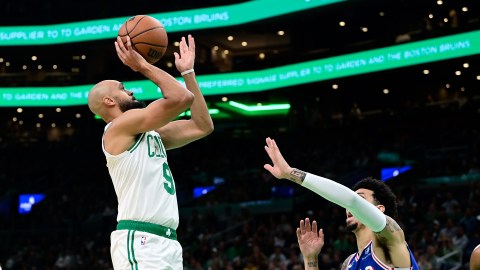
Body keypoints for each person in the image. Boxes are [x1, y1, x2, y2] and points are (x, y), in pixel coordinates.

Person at [87, 34, 214, 269]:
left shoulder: (153, 134)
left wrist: (189, 74)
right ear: (108, 100)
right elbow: (181, 98)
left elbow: (202, 126)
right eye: (123, 89)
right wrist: (143, 66)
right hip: (140, 240)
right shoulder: (117, 129)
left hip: (167, 242)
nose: (131, 92)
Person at [263, 137, 419, 269]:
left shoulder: (390, 239)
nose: (348, 207)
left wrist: (290, 173)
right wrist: (310, 259)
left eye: (362, 198)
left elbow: (351, 200)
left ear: (379, 209)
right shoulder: (349, 263)